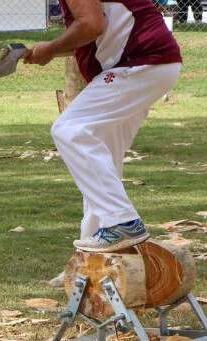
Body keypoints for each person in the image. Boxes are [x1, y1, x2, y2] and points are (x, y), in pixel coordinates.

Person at [23, 0, 182, 253]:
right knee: (100, 162)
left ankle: (122, 221)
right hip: (151, 63)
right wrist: (48, 50)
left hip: (138, 63)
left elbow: (91, 25)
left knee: (69, 130)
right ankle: (89, 260)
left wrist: (51, 48)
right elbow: (99, 27)